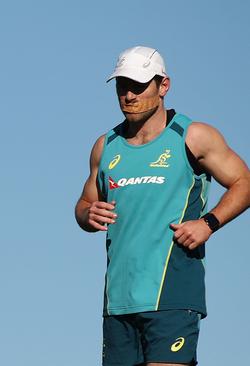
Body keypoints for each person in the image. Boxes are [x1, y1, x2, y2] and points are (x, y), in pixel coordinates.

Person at [75, 46, 250, 366]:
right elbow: (85, 204)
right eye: (121, 86)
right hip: (118, 302)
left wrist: (209, 223)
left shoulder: (193, 136)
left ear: (163, 86)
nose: (129, 95)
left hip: (172, 294)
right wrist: (88, 214)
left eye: (139, 86)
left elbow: (244, 182)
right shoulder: (105, 146)